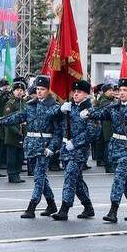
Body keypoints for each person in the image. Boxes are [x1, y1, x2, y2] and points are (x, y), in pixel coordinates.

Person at [82, 77, 127, 223]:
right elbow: (102, 114)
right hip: (115, 147)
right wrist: (88, 113)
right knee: (125, 181)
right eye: (120, 90)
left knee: (119, 178)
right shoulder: (114, 106)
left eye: (125, 90)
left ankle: (113, 210)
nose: (121, 93)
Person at [0, 75, 60, 218]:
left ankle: (32, 207)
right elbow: (19, 116)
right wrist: (2, 121)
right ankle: (52, 204)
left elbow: (58, 132)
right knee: (39, 176)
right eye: (37, 89)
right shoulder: (31, 105)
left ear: (48, 90)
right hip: (31, 145)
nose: (39, 91)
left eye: (42, 89)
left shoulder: (54, 108)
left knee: (39, 177)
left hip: (44, 146)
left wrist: (52, 148)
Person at [52, 80, 98, 220]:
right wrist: (59, 110)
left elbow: (93, 132)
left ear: (86, 94)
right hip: (66, 148)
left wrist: (76, 142)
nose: (76, 94)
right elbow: (52, 119)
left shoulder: (90, 110)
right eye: (75, 91)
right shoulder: (68, 106)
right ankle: (88, 207)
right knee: (76, 180)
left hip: (79, 150)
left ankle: (64, 209)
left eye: (80, 92)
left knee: (70, 177)